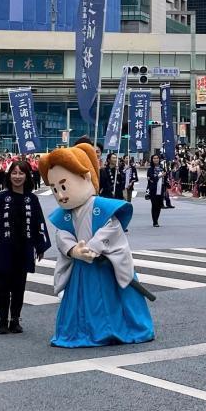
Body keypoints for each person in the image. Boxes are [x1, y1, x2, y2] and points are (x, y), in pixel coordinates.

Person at [40, 143, 154, 348]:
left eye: (64, 186)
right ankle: (84, 331)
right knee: (85, 302)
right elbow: (62, 235)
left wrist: (92, 247)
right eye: (55, 189)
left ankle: (115, 329)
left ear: (85, 178)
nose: (60, 194)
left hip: (105, 265)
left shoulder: (101, 206)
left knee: (109, 299)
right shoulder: (65, 214)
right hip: (82, 267)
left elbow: (111, 229)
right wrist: (74, 250)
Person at [0, 158, 51, 335]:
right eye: (14, 173)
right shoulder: (2, 198)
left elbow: (39, 223)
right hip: (3, 248)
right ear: (9, 176)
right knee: (3, 286)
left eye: (21, 173)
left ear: (27, 176)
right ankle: (2, 321)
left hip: (24, 249)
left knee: (19, 286)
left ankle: (15, 319)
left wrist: (40, 247)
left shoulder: (32, 199)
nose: (17, 176)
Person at [145, 152, 170, 227]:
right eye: (154, 158)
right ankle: (155, 221)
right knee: (154, 205)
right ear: (152, 160)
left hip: (161, 188)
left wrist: (165, 180)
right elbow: (151, 178)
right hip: (153, 189)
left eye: (157, 158)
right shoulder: (150, 169)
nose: (156, 160)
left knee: (159, 205)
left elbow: (165, 177)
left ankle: (157, 219)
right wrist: (160, 175)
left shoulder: (162, 168)